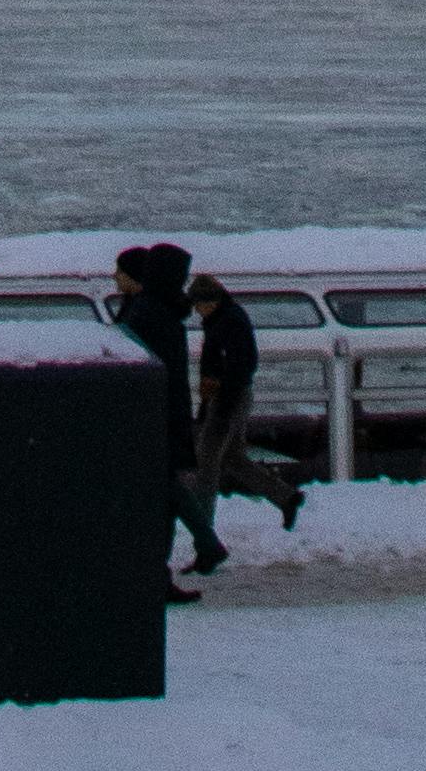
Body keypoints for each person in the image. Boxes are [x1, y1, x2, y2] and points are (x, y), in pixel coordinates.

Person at [186, 269, 307, 552]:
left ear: (210, 300)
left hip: (228, 399)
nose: (196, 310)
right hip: (228, 397)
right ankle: (285, 498)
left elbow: (241, 366)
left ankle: (204, 535)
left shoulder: (229, 321)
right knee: (231, 458)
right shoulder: (223, 317)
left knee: (206, 463)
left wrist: (220, 407)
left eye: (198, 304)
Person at [109, 238, 203, 588]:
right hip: (161, 419)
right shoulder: (164, 313)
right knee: (161, 501)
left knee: (155, 500)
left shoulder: (142, 313)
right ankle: (158, 575)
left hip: (147, 421)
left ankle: (154, 575)